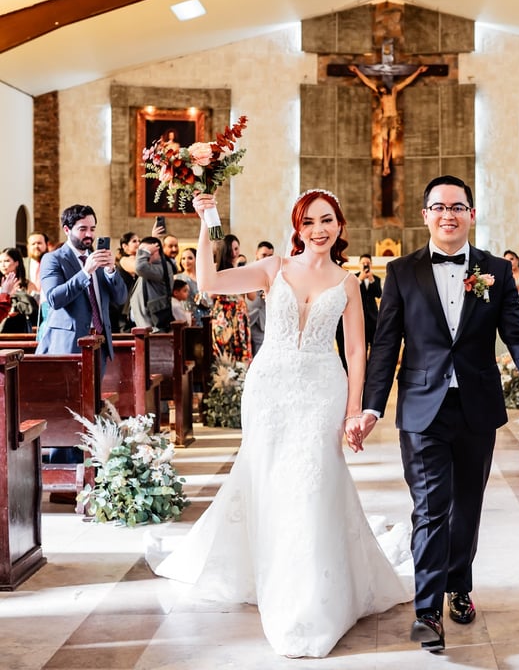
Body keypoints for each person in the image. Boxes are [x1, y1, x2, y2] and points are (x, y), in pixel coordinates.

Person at [149, 189, 412, 658]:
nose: (318, 229)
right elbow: (208, 281)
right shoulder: (275, 269)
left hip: (321, 390)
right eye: (309, 221)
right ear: (297, 226)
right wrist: (207, 218)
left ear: (340, 225)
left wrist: (355, 410)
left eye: (327, 220)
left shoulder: (348, 283)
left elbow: (356, 351)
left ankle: (311, 599)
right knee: (269, 481)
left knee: (314, 484)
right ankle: (269, 572)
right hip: (270, 389)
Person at [356, 175, 519, 652]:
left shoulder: (496, 271)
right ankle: (427, 610)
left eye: (458, 206)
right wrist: (370, 406)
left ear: (471, 213)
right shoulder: (401, 272)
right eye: (439, 206)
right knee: (430, 509)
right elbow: (387, 344)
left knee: (467, 505)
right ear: (425, 215)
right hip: (421, 408)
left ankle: (458, 586)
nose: (449, 214)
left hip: (476, 405)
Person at [36, 204, 126, 364]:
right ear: (66, 230)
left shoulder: (98, 260)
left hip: (100, 343)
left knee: (96, 390)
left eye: (92, 229)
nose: (89, 234)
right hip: (68, 344)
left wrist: (111, 270)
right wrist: (85, 272)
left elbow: (120, 299)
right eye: (83, 229)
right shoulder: (53, 259)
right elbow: (55, 299)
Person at [349, 63, 428, 176]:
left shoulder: (394, 91)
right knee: (385, 142)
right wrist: (357, 71)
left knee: (391, 143)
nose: (381, 90)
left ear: (385, 87)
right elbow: (367, 82)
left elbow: (406, 82)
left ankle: (387, 165)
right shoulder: (380, 96)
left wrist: (418, 71)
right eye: (380, 89)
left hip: (394, 118)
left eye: (382, 88)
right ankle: (385, 164)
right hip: (385, 118)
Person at [210, 234, 251, 362]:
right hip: (224, 315)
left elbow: (252, 296)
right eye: (231, 249)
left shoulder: (243, 269)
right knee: (224, 353)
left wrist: (244, 272)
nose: (234, 253)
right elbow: (211, 294)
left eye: (236, 249)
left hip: (240, 315)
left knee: (241, 348)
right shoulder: (217, 269)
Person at [129, 237, 175, 332]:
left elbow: (139, 267)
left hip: (154, 329)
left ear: (156, 251)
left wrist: (146, 252)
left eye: (144, 251)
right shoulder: (150, 267)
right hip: (145, 327)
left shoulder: (162, 267)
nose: (141, 255)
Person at [245, 240, 274, 355]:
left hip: (264, 319)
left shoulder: (274, 272)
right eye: (264, 255)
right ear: (256, 253)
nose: (267, 259)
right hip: (248, 316)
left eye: (270, 256)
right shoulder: (247, 270)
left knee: (260, 352)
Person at [0, 247, 39, 333]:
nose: (2, 265)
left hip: (21, 327)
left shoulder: (27, 284)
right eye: (0, 262)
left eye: (6, 261)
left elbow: (35, 308)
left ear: (16, 263)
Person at [175, 247, 210, 326]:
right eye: (183, 258)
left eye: (190, 258)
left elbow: (210, 298)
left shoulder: (203, 278)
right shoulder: (176, 278)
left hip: (203, 316)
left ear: (196, 259)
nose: (186, 261)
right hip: (184, 317)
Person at [357, 253, 381, 354]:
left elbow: (379, 294)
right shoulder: (353, 278)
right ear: (359, 264)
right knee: (361, 347)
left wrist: (372, 281)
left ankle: (373, 368)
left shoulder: (376, 279)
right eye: (363, 263)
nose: (365, 265)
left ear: (371, 265)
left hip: (373, 317)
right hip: (359, 317)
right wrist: (359, 280)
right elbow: (350, 294)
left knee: (374, 346)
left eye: (368, 263)